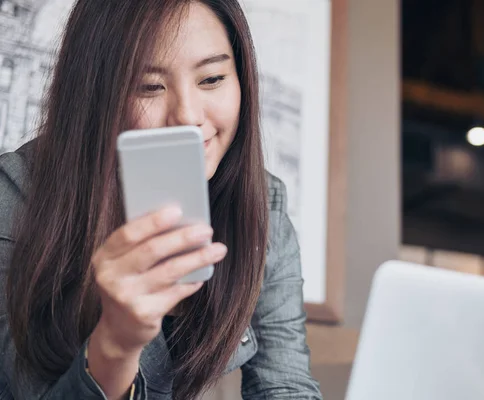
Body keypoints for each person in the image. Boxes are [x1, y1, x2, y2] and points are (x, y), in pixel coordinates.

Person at [0, 0, 322, 399]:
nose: (187, 115)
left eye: (212, 79)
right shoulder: (13, 198)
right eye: (150, 86)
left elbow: (286, 384)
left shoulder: (262, 205)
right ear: (95, 95)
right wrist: (116, 342)